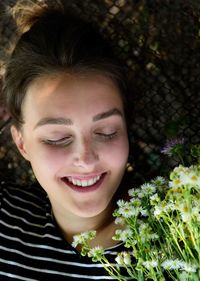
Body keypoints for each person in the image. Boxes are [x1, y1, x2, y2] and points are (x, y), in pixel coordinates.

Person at [0, 3, 133, 280]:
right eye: (57, 138)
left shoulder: (181, 238)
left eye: (106, 131)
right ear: (22, 143)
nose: (85, 158)